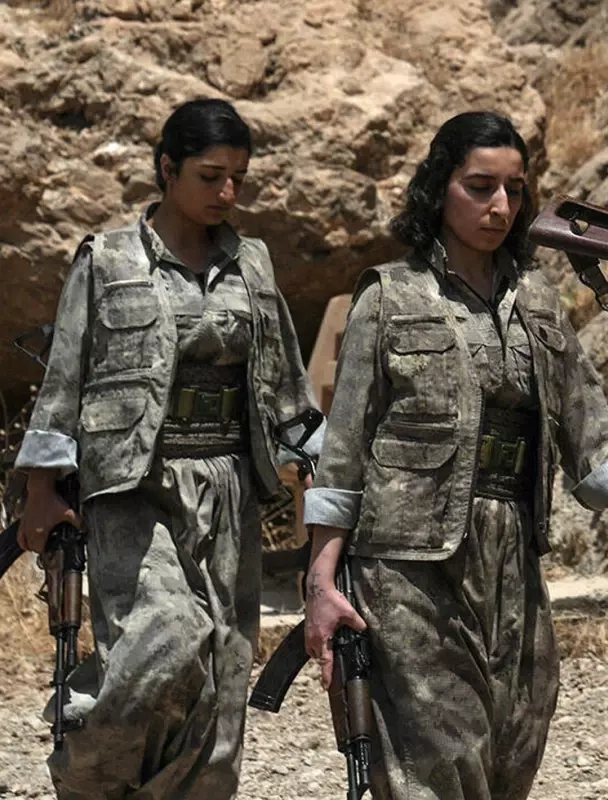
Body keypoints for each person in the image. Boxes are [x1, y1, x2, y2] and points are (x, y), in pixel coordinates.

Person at [302, 109, 608, 799]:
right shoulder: (388, 297)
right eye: (480, 187)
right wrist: (322, 581)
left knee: (516, 740)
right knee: (438, 756)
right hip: (408, 567)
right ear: (439, 189)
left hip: (512, 557)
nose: (501, 206)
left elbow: (585, 421)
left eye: (514, 188)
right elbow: (345, 449)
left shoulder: (537, 300)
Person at [14, 98, 322, 799]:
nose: (227, 192)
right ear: (167, 169)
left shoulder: (253, 264)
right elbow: (64, 381)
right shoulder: (107, 258)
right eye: (210, 175)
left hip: (230, 487)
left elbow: (289, 393)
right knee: (164, 644)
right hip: (134, 489)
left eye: (239, 178)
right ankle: (85, 779)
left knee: (220, 672)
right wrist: (40, 491)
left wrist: (330, 485)